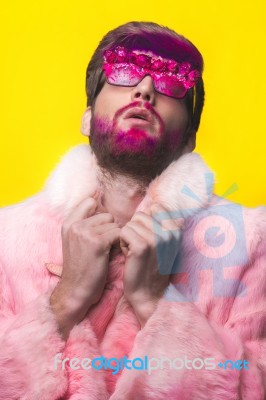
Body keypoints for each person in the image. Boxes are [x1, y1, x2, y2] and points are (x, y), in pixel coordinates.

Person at [0, 21, 265, 400]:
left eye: (173, 81)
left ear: (190, 138)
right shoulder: (6, 237)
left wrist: (155, 303)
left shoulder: (251, 242)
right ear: (87, 117)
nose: (145, 89)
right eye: (124, 72)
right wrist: (67, 298)